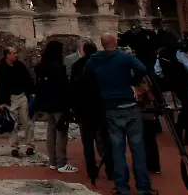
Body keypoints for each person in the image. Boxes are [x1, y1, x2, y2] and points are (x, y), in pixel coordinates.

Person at [83, 33, 157, 195]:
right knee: (137, 148)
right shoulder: (124, 57)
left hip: (110, 107)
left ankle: (122, 187)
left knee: (117, 150)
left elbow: (86, 75)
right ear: (115, 43)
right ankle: (143, 187)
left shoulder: (95, 59)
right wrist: (131, 81)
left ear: (103, 45)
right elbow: (142, 69)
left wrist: (101, 83)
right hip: (129, 105)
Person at [71, 40, 114, 187]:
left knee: (88, 142)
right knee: (105, 141)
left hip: (84, 110)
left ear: (83, 51)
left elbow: (74, 89)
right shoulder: (103, 64)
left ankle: (92, 170)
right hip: (101, 108)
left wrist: (74, 107)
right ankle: (111, 169)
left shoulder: (77, 66)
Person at [33, 40, 78, 173]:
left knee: (50, 131)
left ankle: (52, 161)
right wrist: (69, 104)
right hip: (59, 103)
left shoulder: (42, 67)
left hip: (47, 104)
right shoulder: (58, 67)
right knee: (61, 132)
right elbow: (63, 87)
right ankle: (62, 162)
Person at [0, 45, 35, 158]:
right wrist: (1, 102)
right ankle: (14, 147)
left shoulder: (20, 65)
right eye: (14, 53)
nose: (16, 55)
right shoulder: (1, 68)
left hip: (22, 96)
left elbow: (28, 79)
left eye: (16, 53)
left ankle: (30, 145)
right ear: (8, 55)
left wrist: (31, 92)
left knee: (27, 121)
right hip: (10, 98)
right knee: (12, 123)